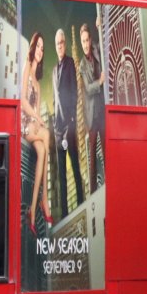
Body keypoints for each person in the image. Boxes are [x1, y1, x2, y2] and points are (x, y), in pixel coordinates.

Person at [21, 32, 53, 230]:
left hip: (33, 125)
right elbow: (23, 101)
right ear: (33, 47)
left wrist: (39, 122)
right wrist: (38, 119)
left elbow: (37, 110)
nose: (40, 51)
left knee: (42, 150)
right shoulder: (26, 68)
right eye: (38, 46)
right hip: (23, 123)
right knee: (47, 134)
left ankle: (33, 210)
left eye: (43, 48)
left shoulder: (39, 84)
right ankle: (45, 199)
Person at [52, 28, 85, 211]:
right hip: (58, 130)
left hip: (69, 126)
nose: (60, 46)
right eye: (57, 43)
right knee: (62, 174)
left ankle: (82, 204)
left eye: (62, 43)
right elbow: (54, 99)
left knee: (74, 165)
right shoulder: (54, 70)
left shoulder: (71, 63)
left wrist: (72, 118)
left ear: (65, 44)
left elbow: (74, 92)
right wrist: (54, 125)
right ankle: (64, 214)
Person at [79, 21, 106, 192]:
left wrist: (99, 27)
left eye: (87, 40)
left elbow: (103, 43)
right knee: (92, 159)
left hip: (102, 111)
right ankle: (93, 192)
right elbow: (88, 88)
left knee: (106, 151)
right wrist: (100, 82)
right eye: (83, 41)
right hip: (90, 116)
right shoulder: (81, 65)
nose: (86, 44)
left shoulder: (96, 49)